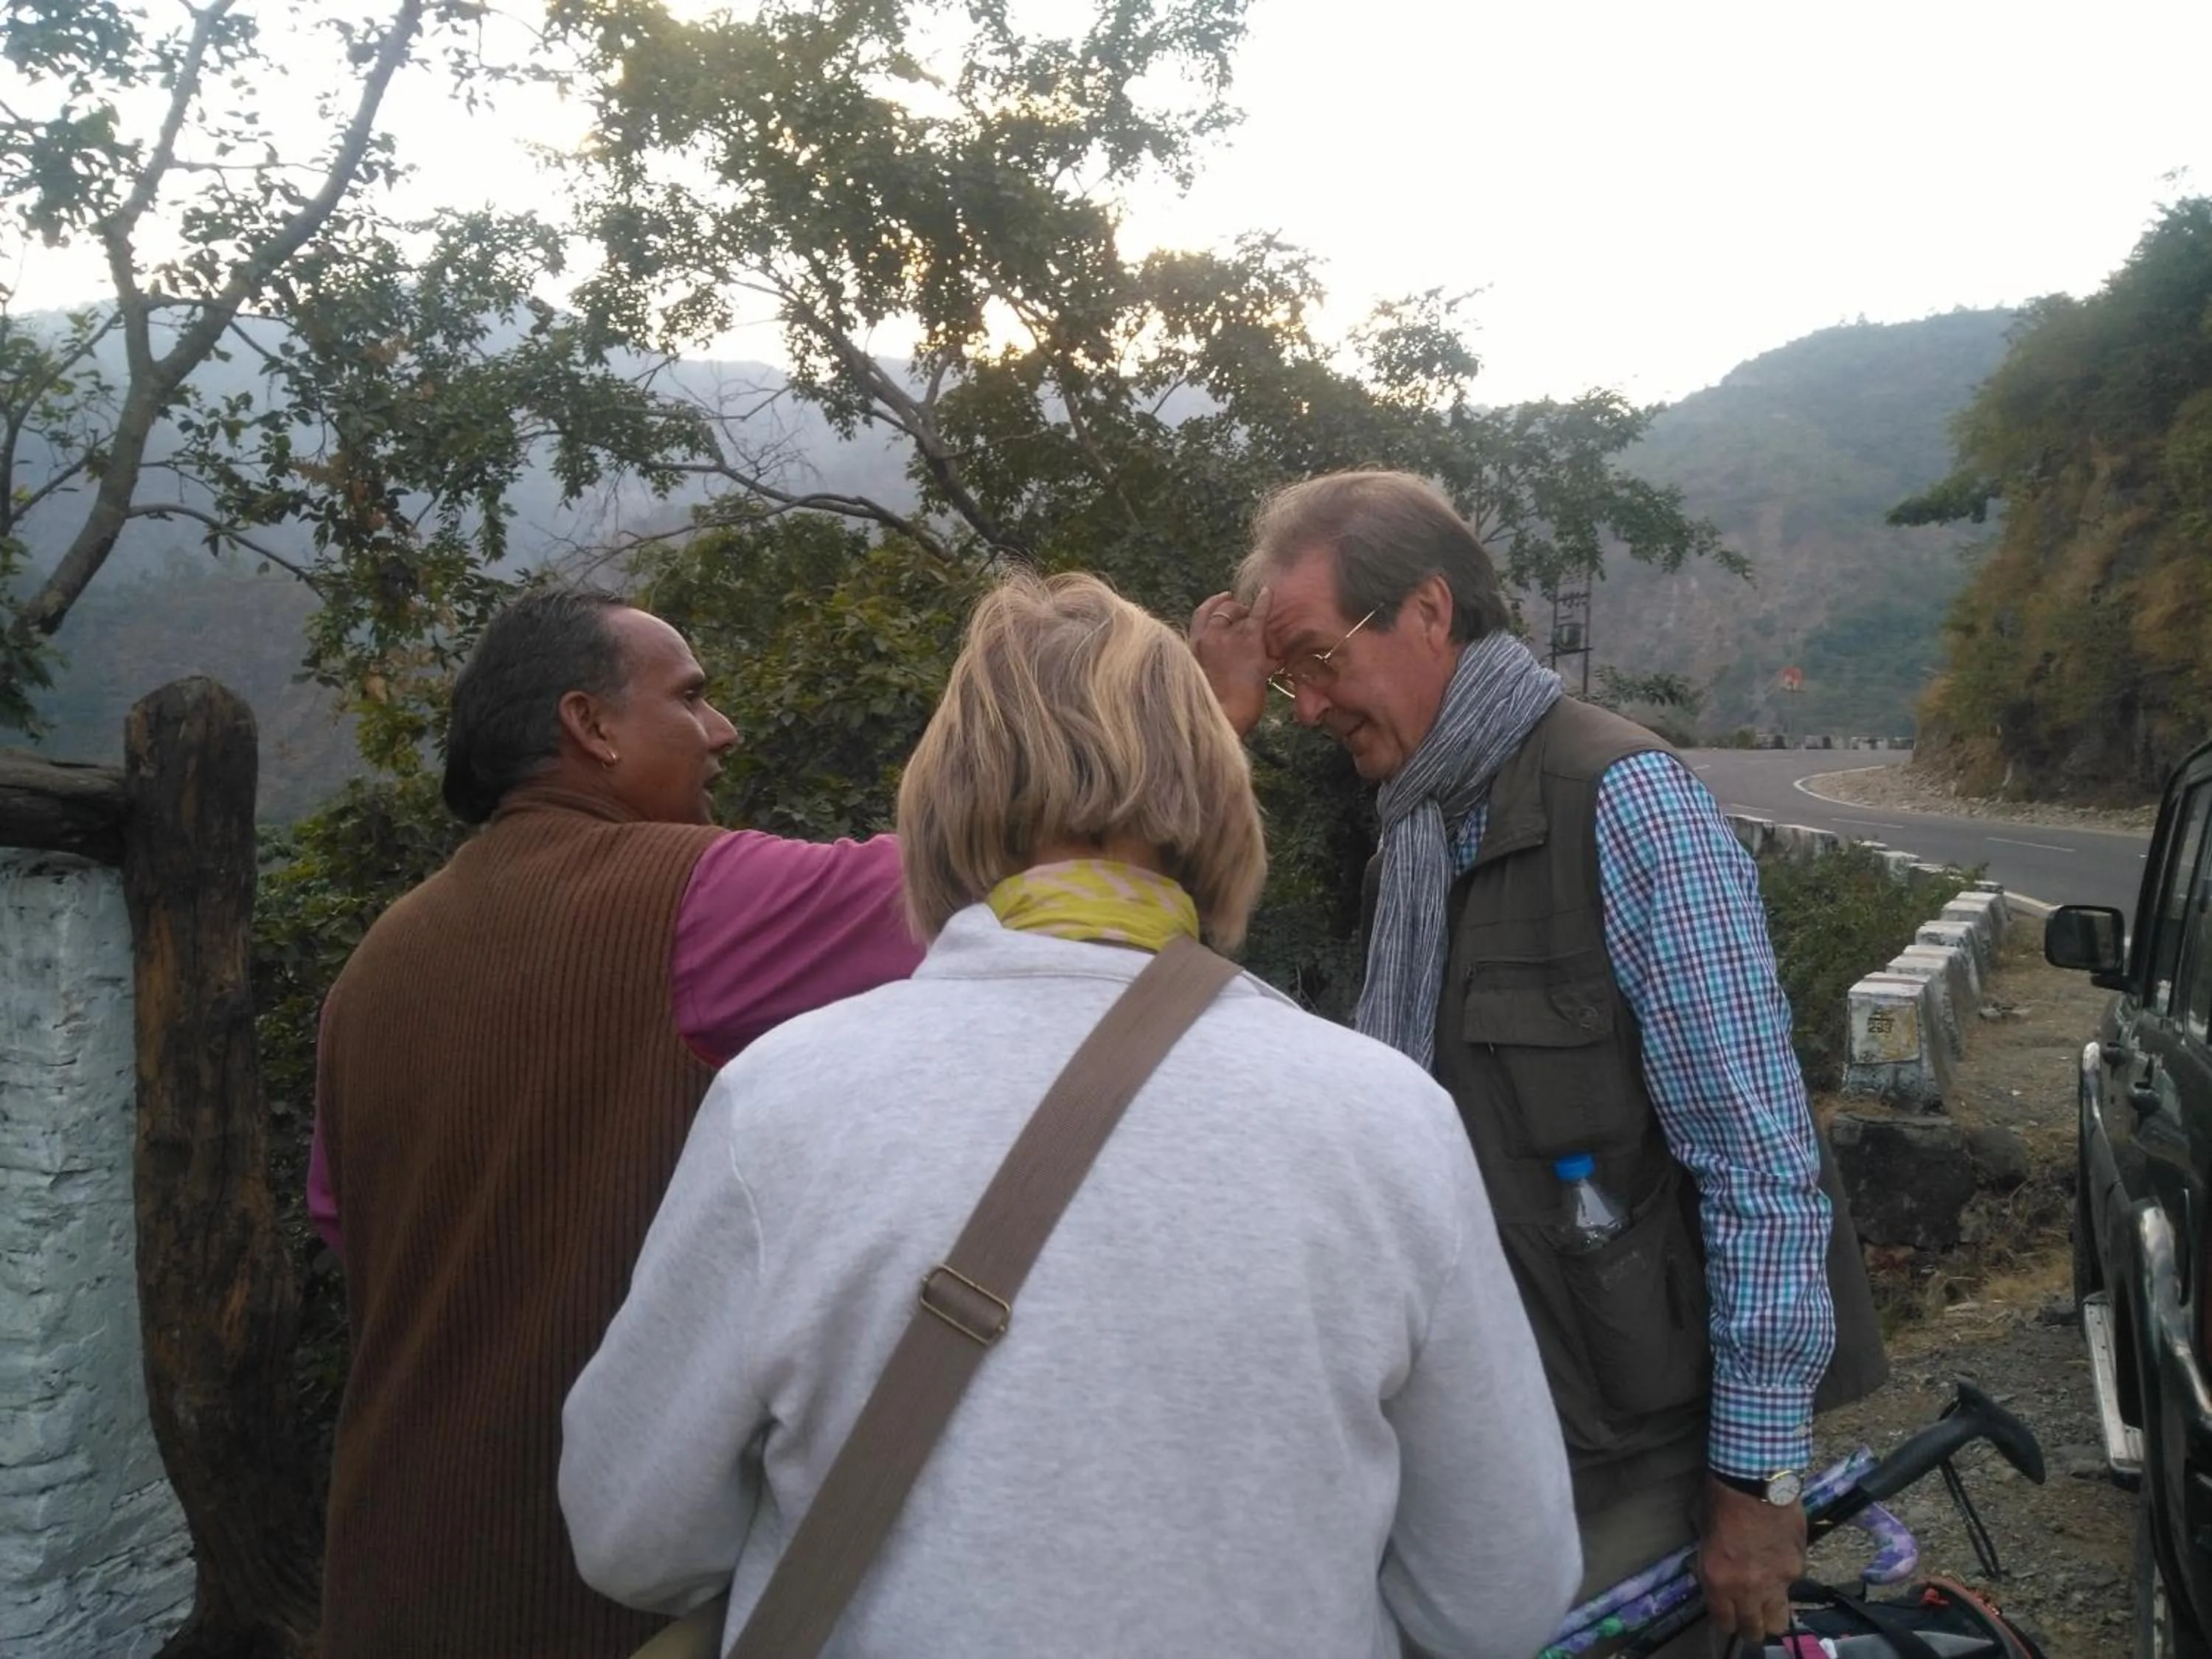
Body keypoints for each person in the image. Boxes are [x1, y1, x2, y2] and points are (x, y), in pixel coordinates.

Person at [559, 571, 1580, 1659]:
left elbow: (633, 1533)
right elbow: (1499, 1595)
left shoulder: (786, 1100)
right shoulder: (1388, 1122)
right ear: (1220, 803)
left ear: (943, 802)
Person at [1189, 471, 1888, 1656]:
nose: (1305, 707)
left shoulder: (1626, 802)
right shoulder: (1416, 828)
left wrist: (1759, 1483)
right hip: (1475, 1433)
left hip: (1631, 1457)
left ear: (1424, 611)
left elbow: (1762, 1164)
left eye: (1315, 659)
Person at [311, 588, 922, 1659]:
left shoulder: (369, 970)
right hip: (588, 1600)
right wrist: (1183, 716)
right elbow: (991, 881)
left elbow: (349, 1232)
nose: (723, 729)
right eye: (690, 697)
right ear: (589, 726)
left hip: (382, 1575)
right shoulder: (696, 899)